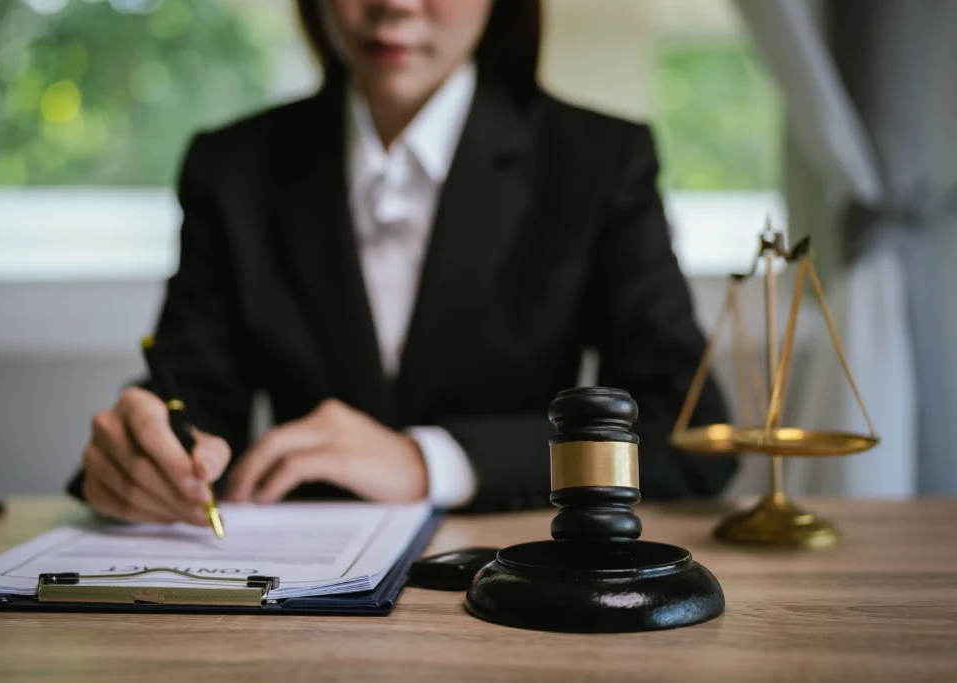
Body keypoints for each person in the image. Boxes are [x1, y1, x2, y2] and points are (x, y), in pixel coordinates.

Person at [72, 0, 736, 526]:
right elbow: (197, 401)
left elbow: (688, 427)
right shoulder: (231, 169)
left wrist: (431, 461)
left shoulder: (599, 160)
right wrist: (143, 456)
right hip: (300, 608)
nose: (394, 5)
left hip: (520, 591)